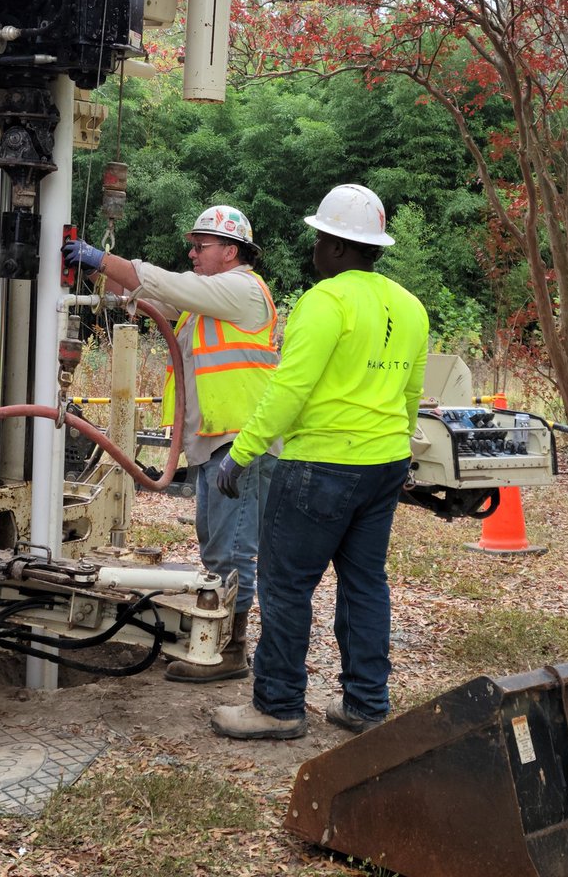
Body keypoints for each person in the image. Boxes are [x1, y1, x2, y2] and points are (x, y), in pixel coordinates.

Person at [209, 184, 429, 740]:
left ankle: (278, 706)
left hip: (319, 465)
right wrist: (399, 453)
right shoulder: (410, 306)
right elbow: (410, 392)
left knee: (286, 586)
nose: (314, 248)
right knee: (365, 584)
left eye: (318, 238)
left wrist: (242, 452)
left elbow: (289, 388)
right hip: (384, 465)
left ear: (334, 245)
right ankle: (366, 704)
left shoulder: (324, 302)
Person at [62, 205, 279, 682]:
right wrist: (105, 277)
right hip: (216, 442)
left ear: (231, 251)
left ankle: (232, 650)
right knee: (215, 543)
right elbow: (148, 298)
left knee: (233, 549)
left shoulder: (242, 290)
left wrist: (99, 256)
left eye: (200, 246)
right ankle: (219, 637)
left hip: (242, 441)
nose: (192, 252)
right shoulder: (208, 304)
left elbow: (167, 284)